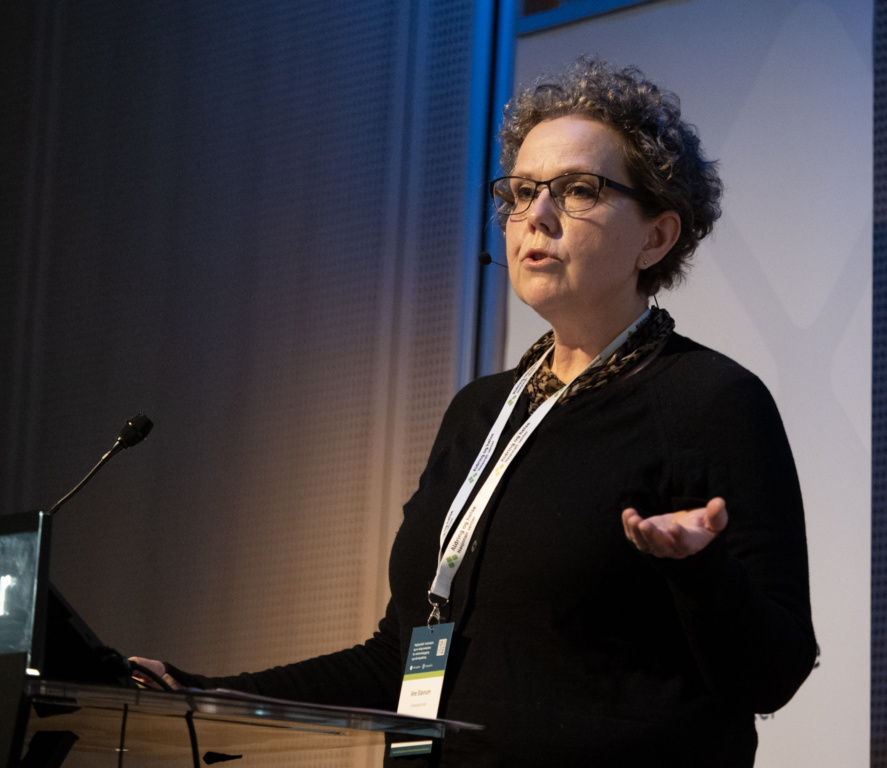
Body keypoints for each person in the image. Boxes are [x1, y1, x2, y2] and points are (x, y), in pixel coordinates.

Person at [133, 57, 816, 767]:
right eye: (521, 192)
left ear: (657, 236)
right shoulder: (480, 411)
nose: (536, 216)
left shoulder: (710, 401)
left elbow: (772, 674)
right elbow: (403, 661)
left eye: (577, 190)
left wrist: (701, 572)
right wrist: (201, 694)